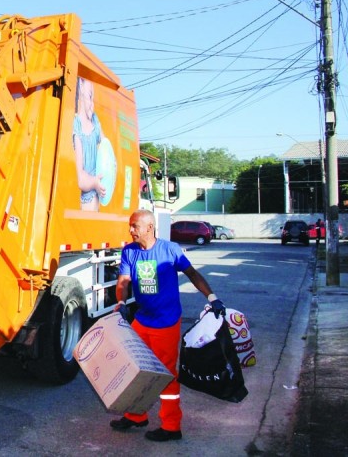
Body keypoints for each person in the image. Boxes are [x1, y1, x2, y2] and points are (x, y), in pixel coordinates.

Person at [110, 209, 226, 442]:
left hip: (166, 322)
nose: (130, 230)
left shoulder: (169, 250)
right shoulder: (130, 251)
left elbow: (192, 274)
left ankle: (172, 426)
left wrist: (212, 298)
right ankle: (136, 415)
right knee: (138, 369)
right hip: (142, 320)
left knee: (167, 375)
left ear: (150, 227)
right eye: (130, 226)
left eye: (135, 226)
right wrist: (121, 301)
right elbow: (123, 280)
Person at [72, 77, 106, 211]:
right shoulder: (77, 128)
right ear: (80, 90)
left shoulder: (95, 121)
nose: (92, 104)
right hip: (87, 199)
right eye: (90, 97)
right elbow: (81, 179)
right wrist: (95, 183)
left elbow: (106, 146)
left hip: (96, 199)